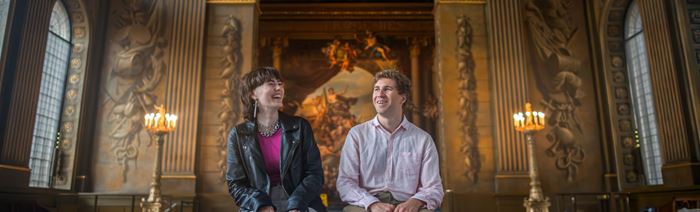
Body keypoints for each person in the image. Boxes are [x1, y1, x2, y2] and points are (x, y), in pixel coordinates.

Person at [336, 69, 444, 212]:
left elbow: (434, 187)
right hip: (366, 205)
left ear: (402, 98)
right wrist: (372, 204)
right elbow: (345, 183)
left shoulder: (423, 139)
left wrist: (416, 201)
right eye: (376, 89)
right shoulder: (357, 135)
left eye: (387, 89)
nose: (379, 94)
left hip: (408, 204)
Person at [227, 67, 326, 212]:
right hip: (258, 204)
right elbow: (235, 183)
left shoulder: (300, 126)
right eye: (271, 84)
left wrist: (296, 204)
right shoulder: (238, 135)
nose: (279, 88)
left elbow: (315, 174)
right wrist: (260, 205)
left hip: (300, 201)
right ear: (253, 93)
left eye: (280, 84)